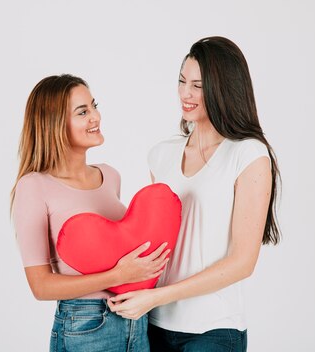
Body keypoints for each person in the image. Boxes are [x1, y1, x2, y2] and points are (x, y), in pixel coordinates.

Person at [107, 36, 282, 351]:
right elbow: (156, 240)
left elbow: (243, 262)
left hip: (213, 330)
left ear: (222, 89)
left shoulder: (248, 155)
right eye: (181, 81)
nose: (185, 93)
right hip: (154, 325)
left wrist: (156, 296)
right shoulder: (161, 155)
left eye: (198, 86)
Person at [11, 74, 169, 352]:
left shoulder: (110, 176)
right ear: (54, 124)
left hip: (138, 318)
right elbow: (41, 286)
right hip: (85, 325)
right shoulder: (34, 186)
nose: (95, 117)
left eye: (94, 106)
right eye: (83, 112)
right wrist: (118, 276)